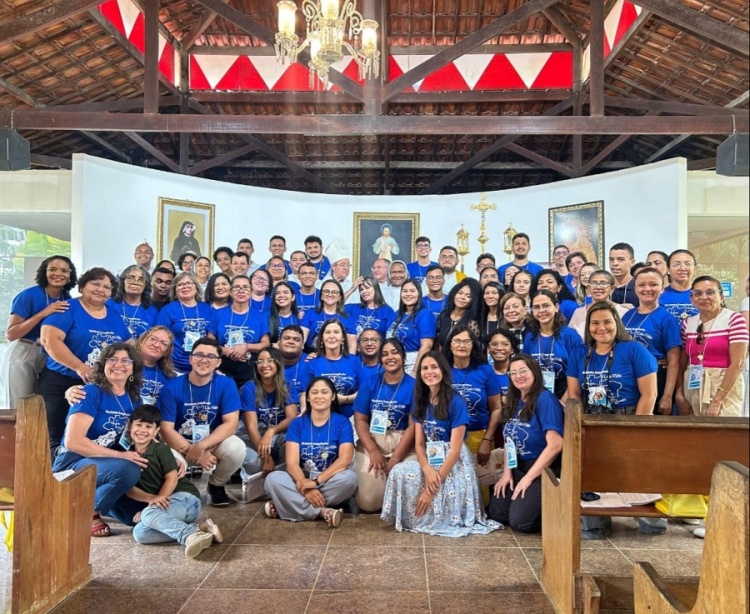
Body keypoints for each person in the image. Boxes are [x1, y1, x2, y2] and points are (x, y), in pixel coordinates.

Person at [567, 301, 661, 539]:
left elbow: (649, 394)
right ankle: (595, 525)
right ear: (588, 326)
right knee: (592, 473)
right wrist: (578, 424)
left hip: (628, 417)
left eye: (607, 322)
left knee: (634, 470)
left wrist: (638, 428)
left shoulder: (634, 349)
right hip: (592, 419)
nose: (601, 328)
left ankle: (651, 521)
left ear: (616, 323)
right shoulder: (580, 353)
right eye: (595, 323)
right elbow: (574, 393)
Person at [380, 351, 500, 537]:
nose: (429, 372)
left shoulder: (456, 401)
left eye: (434, 367)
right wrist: (427, 469)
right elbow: (419, 444)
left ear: (443, 370)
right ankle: (412, 517)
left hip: (454, 461)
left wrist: (432, 487)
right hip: (430, 455)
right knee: (398, 471)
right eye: (425, 368)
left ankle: (435, 511)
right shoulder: (420, 400)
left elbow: (455, 449)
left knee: (439, 489)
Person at [52, 343, 146, 537]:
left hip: (103, 462)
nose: (118, 364)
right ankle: (84, 511)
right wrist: (121, 455)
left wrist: (171, 458)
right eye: (112, 359)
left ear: (133, 368)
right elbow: (73, 442)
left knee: (134, 515)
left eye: (125, 360)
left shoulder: (134, 399)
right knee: (128, 469)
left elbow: (140, 435)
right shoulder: (91, 393)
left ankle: (102, 505)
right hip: (72, 462)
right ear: (103, 365)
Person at [40, 267, 133, 453]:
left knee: (90, 436)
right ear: (82, 286)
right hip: (61, 380)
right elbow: (49, 340)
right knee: (57, 436)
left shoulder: (114, 316)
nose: (101, 289)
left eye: (106, 287)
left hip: (99, 385)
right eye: (95, 284)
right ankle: (55, 478)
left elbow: (129, 348)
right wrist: (80, 367)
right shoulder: (68, 308)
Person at [112, 405, 222, 558]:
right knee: (140, 534)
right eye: (138, 425)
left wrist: (156, 502)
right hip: (166, 509)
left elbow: (172, 478)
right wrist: (152, 501)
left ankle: (187, 535)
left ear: (156, 431)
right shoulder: (124, 454)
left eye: (148, 426)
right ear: (130, 425)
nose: (142, 430)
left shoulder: (160, 449)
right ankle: (199, 530)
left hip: (185, 500)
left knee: (148, 515)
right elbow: (129, 489)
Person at [158, 337, 245, 507]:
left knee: (237, 448)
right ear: (191, 359)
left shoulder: (227, 384)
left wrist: (202, 446)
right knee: (170, 464)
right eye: (199, 355)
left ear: (218, 362)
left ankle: (216, 484)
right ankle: (180, 491)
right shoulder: (172, 387)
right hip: (178, 443)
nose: (204, 360)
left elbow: (231, 423)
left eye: (210, 356)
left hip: (211, 441)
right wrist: (192, 449)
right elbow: (166, 430)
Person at [263, 377, 357, 527]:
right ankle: (322, 512)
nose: (319, 396)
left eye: (324, 392)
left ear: (332, 396)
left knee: (350, 479)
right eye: (314, 392)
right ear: (307, 397)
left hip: (329, 480)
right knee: (273, 479)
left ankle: (287, 503)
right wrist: (305, 488)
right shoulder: (297, 423)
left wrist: (314, 483)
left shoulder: (342, 422)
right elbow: (292, 463)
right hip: (301, 480)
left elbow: (345, 460)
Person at [487, 354, 563, 533]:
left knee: (520, 522)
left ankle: (559, 512)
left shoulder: (545, 399)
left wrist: (528, 479)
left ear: (534, 372)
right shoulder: (515, 401)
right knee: (497, 513)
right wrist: (507, 473)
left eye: (523, 371)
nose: (518, 376)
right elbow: (509, 441)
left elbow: (556, 444)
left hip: (543, 470)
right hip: (518, 467)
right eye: (513, 373)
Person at [3, 255, 76, 409]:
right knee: (20, 404)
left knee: (42, 405)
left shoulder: (67, 299)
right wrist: (44, 313)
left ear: (70, 276)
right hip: (25, 349)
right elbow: (11, 334)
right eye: (53, 269)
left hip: (50, 353)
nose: (58, 274)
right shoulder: (28, 295)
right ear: (44, 272)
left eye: (64, 270)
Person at [352, 339, 416, 512]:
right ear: (380, 359)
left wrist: (395, 459)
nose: (390, 357)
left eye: (394, 352)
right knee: (368, 502)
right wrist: (373, 451)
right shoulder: (370, 383)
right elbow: (360, 420)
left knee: (408, 501)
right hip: (373, 441)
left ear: (403, 357)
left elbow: (413, 426)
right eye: (385, 354)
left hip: (405, 445)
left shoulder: (416, 386)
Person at [676, 276, 748, 417]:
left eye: (710, 292)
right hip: (693, 384)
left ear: (721, 296)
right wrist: (680, 393)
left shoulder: (734, 319)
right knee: (694, 435)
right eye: (698, 293)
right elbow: (683, 361)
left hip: (724, 387)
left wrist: (717, 401)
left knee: (723, 434)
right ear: (691, 299)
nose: (704, 297)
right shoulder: (688, 323)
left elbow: (738, 364)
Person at [623, 267, 682, 415]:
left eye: (653, 284)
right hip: (628, 377)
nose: (647, 289)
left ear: (662, 288)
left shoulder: (667, 318)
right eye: (641, 285)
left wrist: (667, 396)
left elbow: (674, 361)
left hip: (655, 378)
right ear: (635, 288)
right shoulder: (627, 316)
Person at [443, 326, 502, 470]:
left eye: (466, 341)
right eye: (457, 341)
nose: (462, 345)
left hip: (479, 436)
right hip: (447, 438)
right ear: (449, 344)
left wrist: (487, 440)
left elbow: (497, 408)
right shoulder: (441, 370)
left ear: (473, 345)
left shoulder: (485, 370)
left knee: (481, 487)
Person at [239, 348, 298, 479]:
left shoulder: (287, 384)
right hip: (253, 435)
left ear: (278, 363)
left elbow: (292, 418)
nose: (264, 365)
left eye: (269, 360)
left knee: (292, 445)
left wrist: (271, 431)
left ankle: (282, 481)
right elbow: (251, 427)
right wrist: (266, 458)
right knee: (255, 463)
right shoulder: (249, 388)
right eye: (260, 361)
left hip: (277, 434)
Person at [208, 275, 270, 388]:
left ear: (251, 292)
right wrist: (226, 351)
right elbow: (209, 343)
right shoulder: (218, 314)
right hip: (222, 365)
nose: (241, 290)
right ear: (230, 292)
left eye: (245, 287)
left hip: (249, 367)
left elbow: (266, 344)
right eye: (236, 287)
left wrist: (246, 347)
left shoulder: (260, 316)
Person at [523, 290, 584, 400]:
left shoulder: (570, 335)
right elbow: (526, 369)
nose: (541, 310)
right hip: (537, 392)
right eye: (536, 307)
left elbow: (578, 371)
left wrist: (564, 401)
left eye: (546, 305)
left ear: (556, 307)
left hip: (567, 391)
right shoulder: (530, 337)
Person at [156, 272, 213, 373]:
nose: (185, 287)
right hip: (175, 367)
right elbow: (160, 338)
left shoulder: (207, 309)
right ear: (175, 290)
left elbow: (213, 338)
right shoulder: (168, 310)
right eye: (180, 284)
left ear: (196, 287)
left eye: (189, 283)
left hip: (203, 365)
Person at [308, 320, 359, 418]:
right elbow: (307, 394)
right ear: (322, 338)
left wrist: (345, 399)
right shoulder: (312, 363)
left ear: (343, 337)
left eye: (336, 332)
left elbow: (364, 393)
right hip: (321, 417)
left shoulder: (355, 361)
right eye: (327, 332)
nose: (332, 336)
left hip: (351, 418)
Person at [386, 279, 436, 374]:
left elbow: (426, 346)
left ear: (419, 294)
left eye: (412, 291)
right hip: (394, 361)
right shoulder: (396, 314)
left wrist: (415, 372)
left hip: (414, 362)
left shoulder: (424, 314)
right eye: (405, 291)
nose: (408, 294)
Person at [568, 270, 629, 339]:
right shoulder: (579, 312)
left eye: (603, 283)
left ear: (612, 288)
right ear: (588, 288)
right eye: (594, 283)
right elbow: (571, 338)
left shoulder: (623, 311)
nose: (598, 287)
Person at [108, 265, 157, 340]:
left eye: (141, 280)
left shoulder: (152, 311)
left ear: (145, 285)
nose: (135, 282)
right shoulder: (109, 304)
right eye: (131, 278)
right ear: (123, 281)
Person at [301, 279, 349, 352]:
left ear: (340, 297)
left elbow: (351, 345)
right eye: (326, 291)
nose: (330, 294)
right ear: (321, 296)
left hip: (339, 355)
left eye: (334, 292)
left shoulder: (347, 317)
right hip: (312, 354)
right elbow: (301, 340)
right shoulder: (310, 314)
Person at [345, 276, 394, 348]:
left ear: (376, 289)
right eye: (361, 289)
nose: (364, 292)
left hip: (377, 353)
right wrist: (352, 289)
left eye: (367, 288)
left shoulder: (387, 311)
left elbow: (390, 337)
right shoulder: (354, 308)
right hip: (356, 353)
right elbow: (335, 305)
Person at [435, 278, 482, 351]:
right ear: (454, 293)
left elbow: (475, 349)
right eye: (460, 293)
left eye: (468, 296)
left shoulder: (472, 323)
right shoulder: (444, 315)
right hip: (442, 360)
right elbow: (438, 343)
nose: (462, 297)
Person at [660, 249, 699, 324]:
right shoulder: (659, 295)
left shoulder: (703, 295)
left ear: (695, 268)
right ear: (668, 269)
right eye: (676, 264)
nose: (682, 268)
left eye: (688, 264)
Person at [278, 325, 311, 399]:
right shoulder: (270, 362)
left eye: (296, 339)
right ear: (279, 342)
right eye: (286, 338)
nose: (291, 341)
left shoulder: (312, 363)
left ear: (302, 345)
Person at [608, 242, 638, 308]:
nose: (615, 263)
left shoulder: (639, 286)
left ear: (632, 262)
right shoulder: (605, 286)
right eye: (611, 259)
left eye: (620, 259)